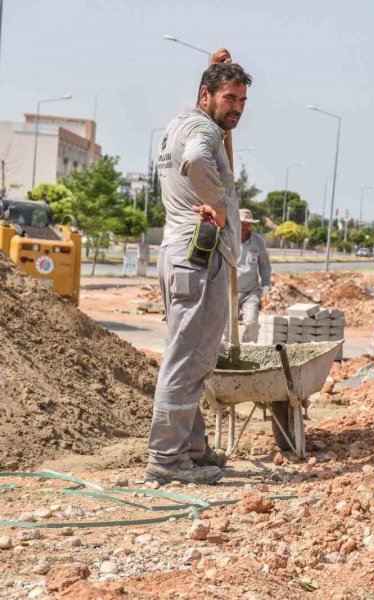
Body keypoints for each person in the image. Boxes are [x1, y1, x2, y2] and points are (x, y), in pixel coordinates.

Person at [145, 50, 252, 484]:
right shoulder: (201, 132)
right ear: (205, 94)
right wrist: (217, 204)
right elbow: (195, 160)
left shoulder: (180, 122)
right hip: (199, 257)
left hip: (180, 255)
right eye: (230, 98)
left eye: (243, 101)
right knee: (187, 363)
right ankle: (167, 461)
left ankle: (191, 448)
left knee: (190, 360)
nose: (237, 108)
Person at [236, 208, 271, 342]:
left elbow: (264, 266)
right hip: (228, 292)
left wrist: (266, 287)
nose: (245, 226)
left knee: (252, 324)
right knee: (226, 328)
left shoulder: (258, 242)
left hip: (250, 292)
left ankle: (247, 355)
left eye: (247, 223)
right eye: (241, 223)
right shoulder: (228, 239)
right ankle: (224, 359)